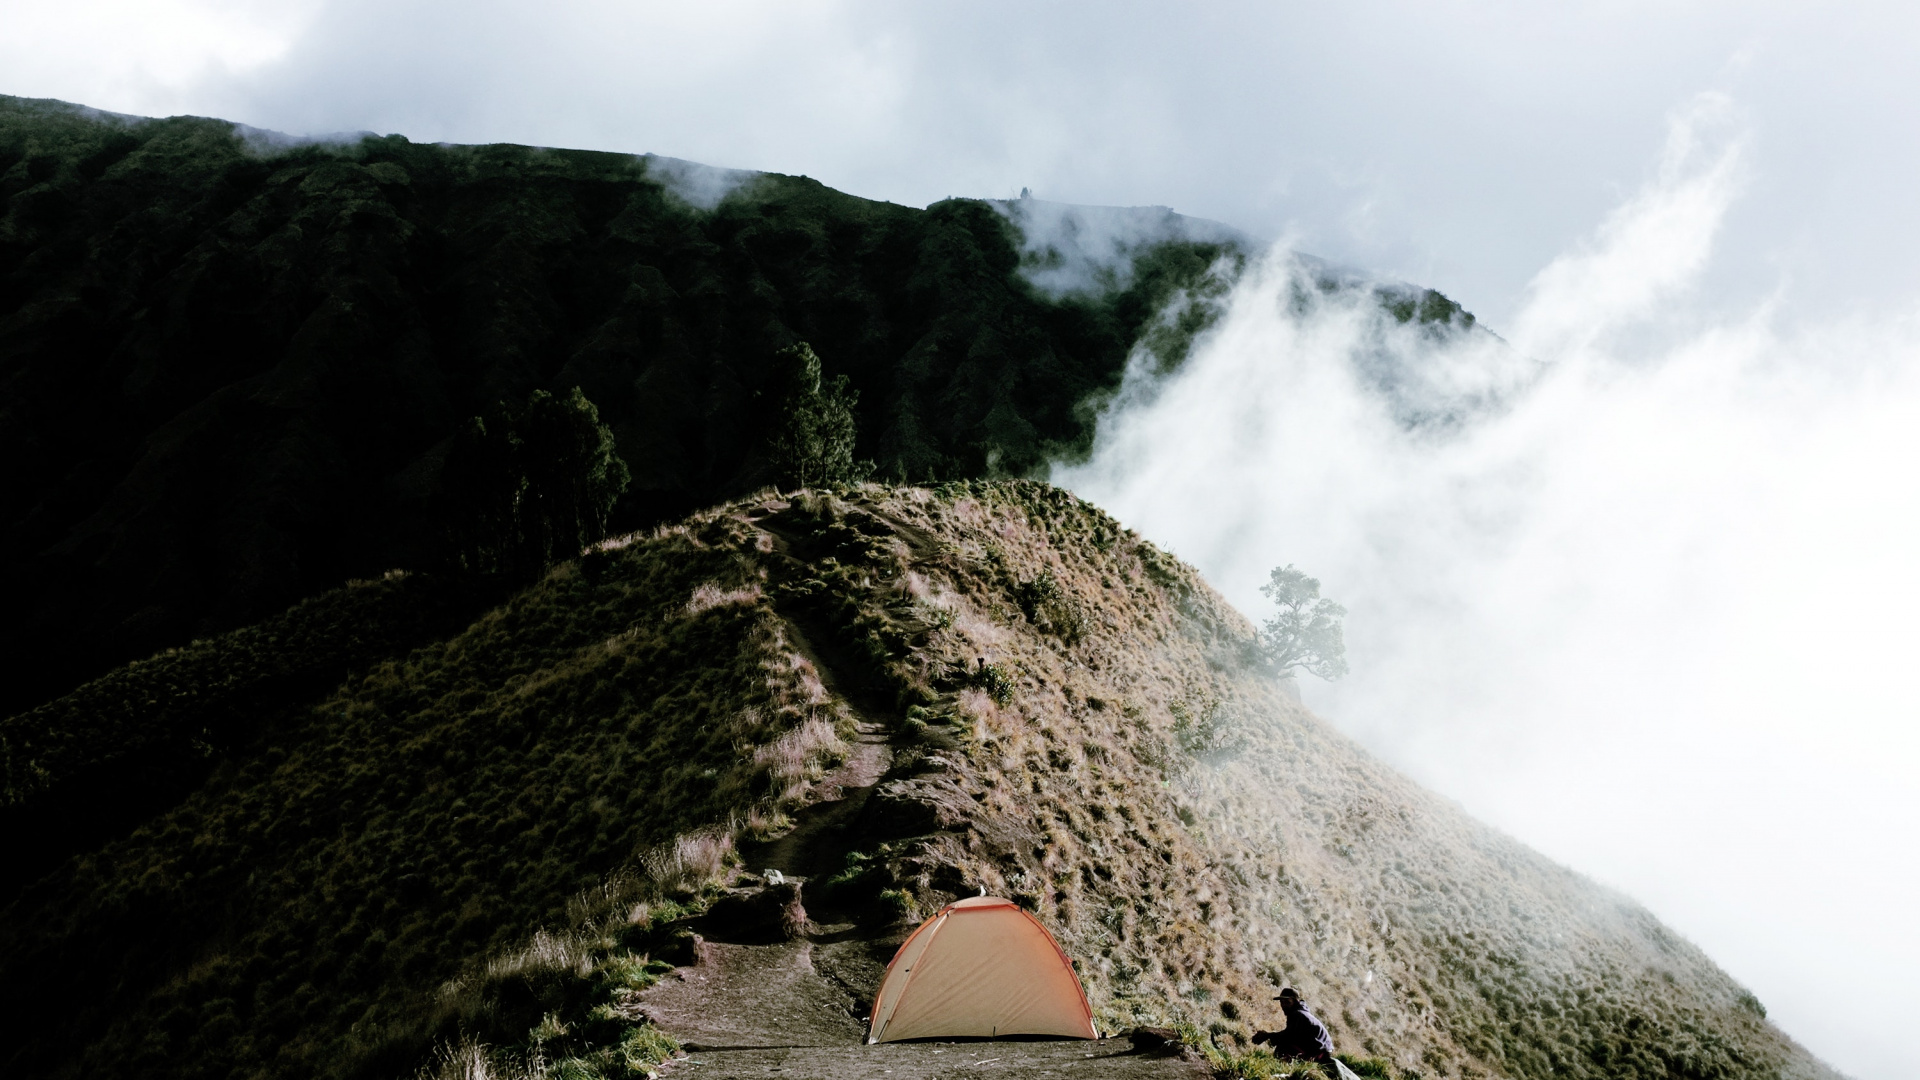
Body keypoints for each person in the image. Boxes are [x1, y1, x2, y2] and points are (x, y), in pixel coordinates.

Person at [1251, 987, 1337, 1076]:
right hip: (1320, 1049)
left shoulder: (1298, 1015)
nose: (1283, 1005)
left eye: (1287, 1002)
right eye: (1281, 1002)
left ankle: (1277, 1071)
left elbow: (1288, 1036)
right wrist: (1269, 1036)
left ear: (1295, 1001)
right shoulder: (1300, 1012)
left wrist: (1267, 1035)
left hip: (1320, 1053)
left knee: (1283, 1046)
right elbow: (1291, 1034)